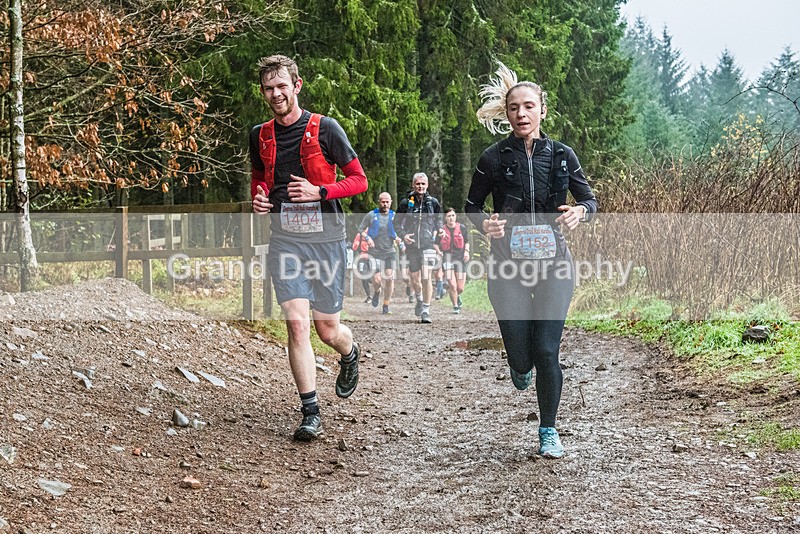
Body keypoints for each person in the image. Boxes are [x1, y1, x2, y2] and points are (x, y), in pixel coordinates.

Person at [465, 63, 598, 459]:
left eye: (528, 106)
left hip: (555, 266)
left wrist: (580, 212)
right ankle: (517, 366)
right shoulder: (493, 157)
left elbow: (589, 199)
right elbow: (472, 206)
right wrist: (484, 225)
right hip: (507, 270)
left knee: (546, 350)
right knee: (523, 358)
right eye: (513, 108)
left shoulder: (561, 155)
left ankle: (549, 431)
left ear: (542, 110)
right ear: (506, 114)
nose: (521, 114)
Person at [250, 54, 368, 441]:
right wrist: (260, 198)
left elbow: (358, 181)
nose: (276, 94)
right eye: (269, 88)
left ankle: (349, 354)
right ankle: (310, 412)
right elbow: (259, 180)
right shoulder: (260, 135)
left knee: (326, 329)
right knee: (297, 324)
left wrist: (321, 191)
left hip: (326, 242)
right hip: (285, 241)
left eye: (282, 86)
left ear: (296, 86)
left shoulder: (325, 128)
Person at [396, 173, 443, 324]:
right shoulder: (405, 203)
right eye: (418, 184)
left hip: (428, 244)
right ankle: (419, 299)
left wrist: (440, 229)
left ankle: (426, 311)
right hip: (412, 245)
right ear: (413, 185)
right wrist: (403, 236)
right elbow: (395, 223)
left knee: (426, 276)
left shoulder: (433, 202)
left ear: (427, 185)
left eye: (423, 184)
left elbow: (438, 219)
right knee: (415, 279)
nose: (420, 186)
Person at [358, 192, 402, 314]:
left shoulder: (394, 216)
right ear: (379, 202)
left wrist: (399, 239)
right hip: (375, 252)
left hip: (389, 252)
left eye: (387, 202)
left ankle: (386, 305)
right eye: (383, 202)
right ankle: (377, 292)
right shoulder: (371, 215)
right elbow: (361, 230)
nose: (385, 204)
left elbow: (399, 231)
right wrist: (368, 238)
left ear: (391, 202)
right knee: (377, 280)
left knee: (389, 278)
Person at [434, 207, 470, 314]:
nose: (451, 218)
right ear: (445, 218)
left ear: (456, 216)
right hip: (447, 258)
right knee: (452, 285)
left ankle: (457, 296)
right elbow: (435, 243)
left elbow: (467, 241)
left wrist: (466, 251)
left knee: (460, 288)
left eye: (453, 215)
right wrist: (439, 252)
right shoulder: (442, 231)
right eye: (449, 216)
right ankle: (455, 306)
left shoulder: (462, 228)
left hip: (460, 258)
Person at [351, 231, 376, 303]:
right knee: (364, 277)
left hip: (372, 257)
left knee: (374, 277)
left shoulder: (374, 233)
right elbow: (354, 247)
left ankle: (377, 290)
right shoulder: (359, 235)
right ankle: (369, 296)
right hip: (362, 258)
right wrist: (356, 244)